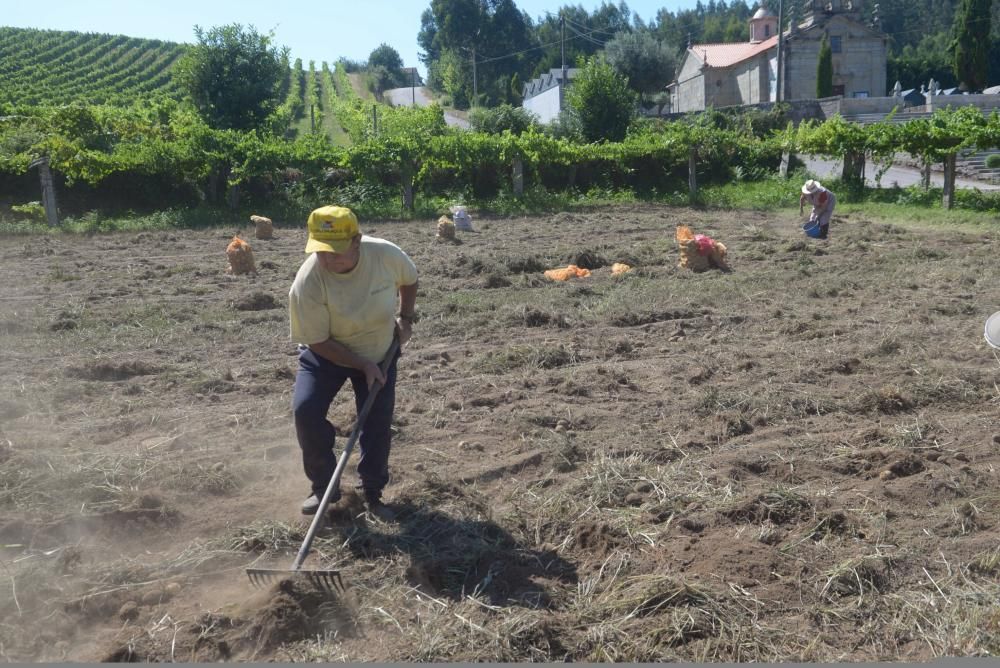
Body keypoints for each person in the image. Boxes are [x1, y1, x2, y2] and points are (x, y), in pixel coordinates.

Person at [288, 205, 418, 521]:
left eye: (336, 251)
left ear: (356, 240)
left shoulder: (385, 255)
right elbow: (317, 341)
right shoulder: (307, 283)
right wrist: (360, 365)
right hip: (327, 354)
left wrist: (406, 318)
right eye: (321, 251)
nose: (329, 259)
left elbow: (410, 279)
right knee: (305, 410)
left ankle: (371, 493)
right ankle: (323, 488)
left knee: (375, 422)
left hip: (378, 349)